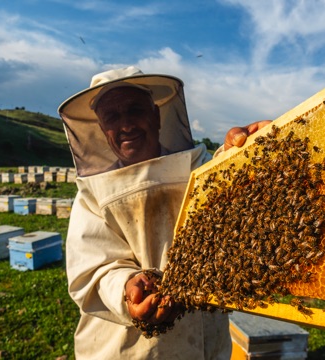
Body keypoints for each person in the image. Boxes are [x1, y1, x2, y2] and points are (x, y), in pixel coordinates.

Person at [58, 66, 270, 359]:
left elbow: (225, 183)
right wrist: (126, 288)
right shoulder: (93, 194)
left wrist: (245, 151)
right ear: (102, 129)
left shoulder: (196, 167)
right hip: (126, 351)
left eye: (134, 110)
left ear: (156, 115)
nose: (126, 124)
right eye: (112, 117)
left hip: (207, 343)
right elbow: (93, 270)